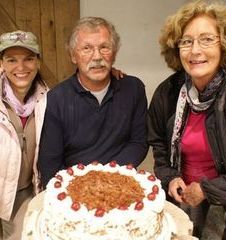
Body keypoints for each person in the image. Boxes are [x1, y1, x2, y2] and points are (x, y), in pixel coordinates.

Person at [147, 1, 226, 239]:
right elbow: (158, 147)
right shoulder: (167, 92)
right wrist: (169, 178)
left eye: (207, 39)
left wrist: (207, 190)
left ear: (225, 45)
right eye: (186, 41)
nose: (195, 50)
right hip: (180, 193)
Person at [38, 17, 148, 188]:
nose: (97, 57)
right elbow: (50, 162)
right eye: (87, 48)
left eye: (104, 47)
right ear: (73, 56)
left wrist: (108, 176)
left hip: (120, 180)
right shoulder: (55, 99)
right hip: (74, 187)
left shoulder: (133, 89)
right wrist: (79, 187)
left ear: (115, 53)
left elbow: (138, 143)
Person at [0, 30, 48, 239]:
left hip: (24, 194)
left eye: (28, 59)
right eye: (12, 60)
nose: (21, 68)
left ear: (38, 61)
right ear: (1, 63)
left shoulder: (49, 100)